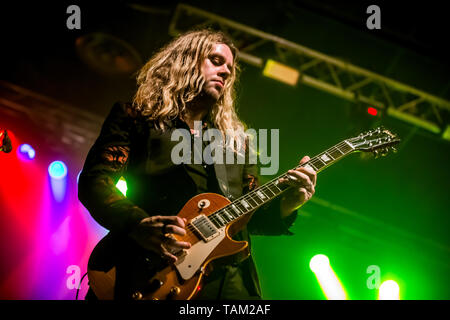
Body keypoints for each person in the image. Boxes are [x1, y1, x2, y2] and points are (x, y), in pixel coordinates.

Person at [78, 29, 317, 300]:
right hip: (145, 270)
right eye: (216, 61)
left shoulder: (238, 143)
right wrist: (138, 224)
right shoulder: (136, 118)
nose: (226, 72)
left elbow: (251, 219)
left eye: (230, 68)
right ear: (186, 61)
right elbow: (95, 183)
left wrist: (290, 202)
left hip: (226, 284)